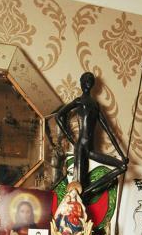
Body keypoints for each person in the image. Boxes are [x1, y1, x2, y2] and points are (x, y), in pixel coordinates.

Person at [53, 72, 128, 202]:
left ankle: (87, 192)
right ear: (81, 83)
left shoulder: (95, 105)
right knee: (77, 188)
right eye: (85, 80)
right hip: (81, 148)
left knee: (122, 166)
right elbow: (58, 116)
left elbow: (108, 130)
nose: (88, 82)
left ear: (92, 84)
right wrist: (70, 138)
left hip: (90, 149)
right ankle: (82, 195)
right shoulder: (79, 101)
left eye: (90, 80)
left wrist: (122, 154)